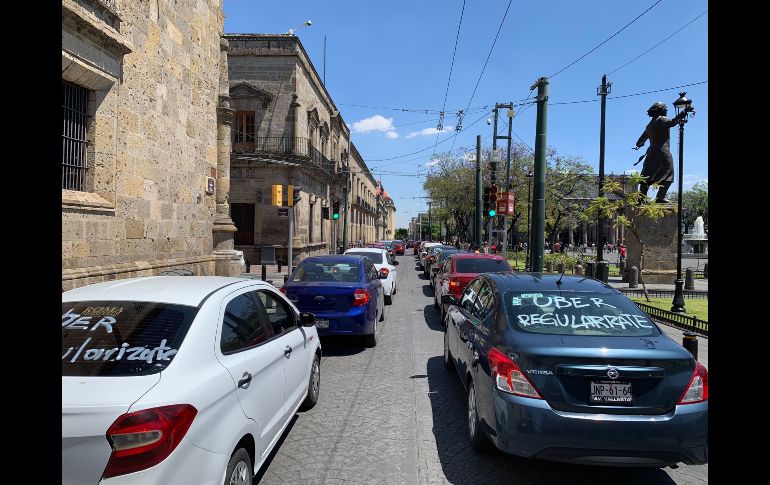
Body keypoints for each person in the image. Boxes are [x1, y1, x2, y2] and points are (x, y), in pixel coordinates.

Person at [634, 101, 692, 203]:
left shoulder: (649, 125)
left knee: (647, 175)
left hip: (651, 152)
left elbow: (639, 141)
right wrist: (684, 111)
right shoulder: (661, 119)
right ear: (660, 110)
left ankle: (641, 198)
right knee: (669, 175)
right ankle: (660, 197)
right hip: (663, 152)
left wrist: (640, 145)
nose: (667, 110)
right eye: (665, 108)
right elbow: (672, 122)